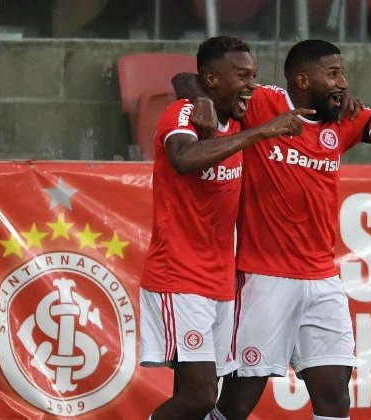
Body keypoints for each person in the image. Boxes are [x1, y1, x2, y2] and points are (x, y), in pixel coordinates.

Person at [175, 39, 371, 420]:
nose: (343, 82)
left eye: (342, 73)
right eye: (332, 74)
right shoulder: (263, 103)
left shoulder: (341, 120)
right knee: (238, 403)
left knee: (335, 399)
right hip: (265, 278)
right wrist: (202, 101)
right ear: (302, 80)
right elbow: (186, 79)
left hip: (323, 281)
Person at [138, 35, 313, 420]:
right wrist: (259, 132)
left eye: (254, 75)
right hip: (178, 277)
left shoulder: (235, 114)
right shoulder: (183, 115)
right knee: (200, 397)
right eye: (242, 75)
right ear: (212, 79)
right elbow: (184, 157)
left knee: (199, 396)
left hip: (219, 282)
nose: (252, 84)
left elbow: (186, 77)